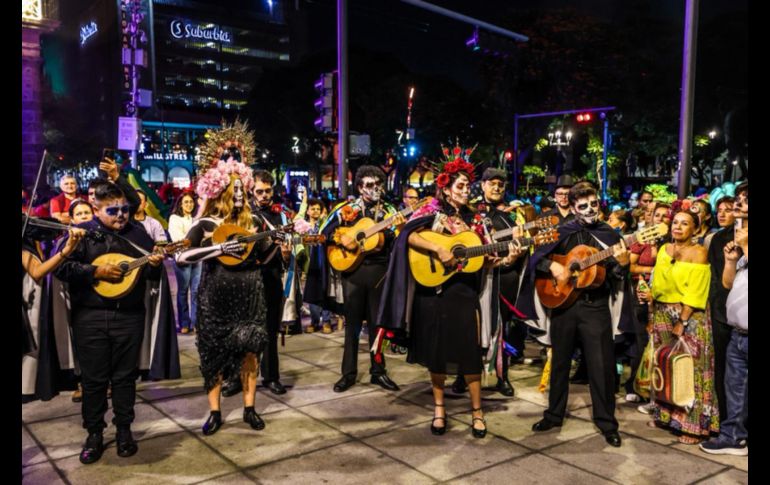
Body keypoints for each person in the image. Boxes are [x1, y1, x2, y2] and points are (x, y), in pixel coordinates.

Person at [377, 156, 522, 438]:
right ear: (446, 188)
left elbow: (487, 260)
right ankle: (439, 409)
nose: (467, 190)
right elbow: (406, 236)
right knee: (437, 354)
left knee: (469, 353)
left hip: (464, 294)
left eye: (468, 185)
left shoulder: (477, 219)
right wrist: (438, 249)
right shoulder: (430, 209)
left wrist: (506, 258)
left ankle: (477, 412)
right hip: (433, 292)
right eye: (461, 185)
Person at [55, 182, 163, 464]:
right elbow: (61, 268)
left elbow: (152, 277)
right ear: (96, 209)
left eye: (125, 210)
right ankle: (94, 434)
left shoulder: (138, 234)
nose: (120, 216)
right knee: (93, 381)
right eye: (113, 210)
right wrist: (95, 271)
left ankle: (125, 430)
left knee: (125, 378)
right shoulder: (83, 234)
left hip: (129, 315)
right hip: (89, 317)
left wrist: (155, 265)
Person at [519, 181, 633, 448]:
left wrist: (623, 265)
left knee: (601, 366)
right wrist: (554, 267)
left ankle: (607, 423)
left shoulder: (610, 234)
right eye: (583, 205)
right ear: (572, 207)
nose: (590, 209)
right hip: (564, 305)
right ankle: (553, 415)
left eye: (594, 204)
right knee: (559, 364)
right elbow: (537, 258)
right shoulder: (562, 230)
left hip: (596, 306)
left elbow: (616, 275)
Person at [176, 158, 269, 436]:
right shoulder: (205, 223)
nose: (240, 194)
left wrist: (281, 247)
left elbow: (266, 254)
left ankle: (249, 409)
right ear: (220, 192)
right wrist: (219, 249)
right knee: (213, 354)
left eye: (242, 188)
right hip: (215, 296)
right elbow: (181, 256)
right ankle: (215, 412)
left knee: (251, 352)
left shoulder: (253, 220)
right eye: (234, 188)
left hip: (250, 292)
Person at [316, 165, 403, 393]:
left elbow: (398, 243)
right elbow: (323, 233)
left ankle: (378, 371)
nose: (374, 189)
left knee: (378, 325)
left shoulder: (390, 210)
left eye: (377, 184)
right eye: (368, 185)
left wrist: (395, 231)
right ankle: (348, 373)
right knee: (352, 326)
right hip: (353, 272)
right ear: (359, 187)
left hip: (379, 273)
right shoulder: (346, 209)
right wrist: (342, 238)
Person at [638, 210, 718, 444]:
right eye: (675, 223)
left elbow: (696, 291)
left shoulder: (699, 252)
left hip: (689, 315)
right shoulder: (664, 250)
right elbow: (659, 283)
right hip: (663, 311)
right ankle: (666, 416)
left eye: (685, 224)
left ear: (695, 229)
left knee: (691, 370)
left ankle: (693, 426)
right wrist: (648, 298)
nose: (678, 227)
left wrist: (682, 321)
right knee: (665, 367)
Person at [700, 182, 747, 456]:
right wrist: (731, 260)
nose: (739, 204)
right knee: (734, 386)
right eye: (738, 198)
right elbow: (728, 283)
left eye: (744, 199)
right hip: (735, 328)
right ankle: (734, 435)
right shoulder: (730, 238)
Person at [22, 222, 86, 402]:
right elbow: (37, 271)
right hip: (28, 303)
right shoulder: (23, 248)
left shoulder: (32, 241)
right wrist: (66, 250)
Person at [251, 170, 293, 396]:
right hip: (246, 279)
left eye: (268, 191)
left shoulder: (281, 216)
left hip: (271, 277)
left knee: (269, 330)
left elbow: (287, 248)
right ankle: (239, 378)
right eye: (260, 191)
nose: (264, 195)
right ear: (251, 190)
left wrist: (287, 254)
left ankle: (271, 376)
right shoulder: (243, 213)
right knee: (243, 331)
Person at [168, 192, 201, 334]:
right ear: (180, 204)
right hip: (183, 258)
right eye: (186, 202)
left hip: (198, 257)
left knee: (196, 291)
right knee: (183, 291)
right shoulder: (175, 218)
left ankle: (195, 322)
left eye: (191, 202)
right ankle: (184, 322)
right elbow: (179, 239)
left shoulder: (196, 219)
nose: (189, 204)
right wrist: (193, 241)